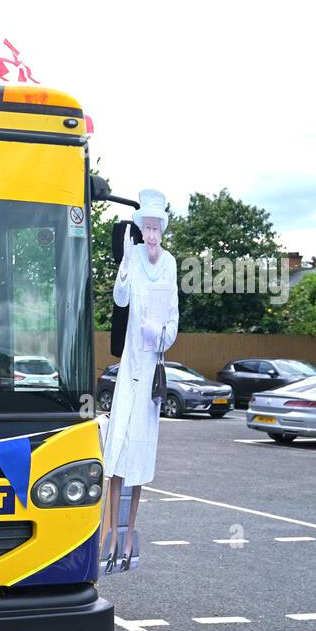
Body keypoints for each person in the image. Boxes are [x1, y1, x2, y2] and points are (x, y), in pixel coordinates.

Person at [100, 189, 179, 572]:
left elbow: (173, 323)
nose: (151, 234)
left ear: (161, 230)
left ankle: (130, 533)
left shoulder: (169, 264)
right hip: (130, 363)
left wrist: (158, 332)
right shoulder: (132, 256)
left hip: (150, 369)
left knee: (141, 455)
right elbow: (119, 299)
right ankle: (108, 533)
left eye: (155, 227)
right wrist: (126, 269)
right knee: (115, 449)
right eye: (145, 227)